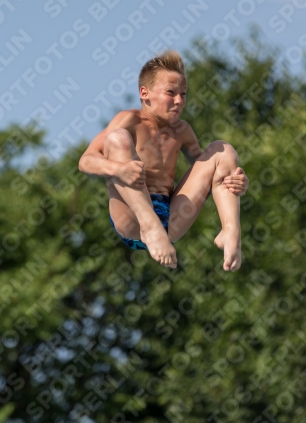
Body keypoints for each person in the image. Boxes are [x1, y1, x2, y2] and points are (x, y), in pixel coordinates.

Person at [79, 50, 249, 270]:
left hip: (170, 220)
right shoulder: (129, 119)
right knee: (117, 138)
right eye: (171, 92)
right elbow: (86, 161)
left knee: (221, 150)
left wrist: (235, 182)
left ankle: (230, 232)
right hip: (132, 218)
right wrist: (118, 169)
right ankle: (149, 225)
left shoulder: (182, 130)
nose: (179, 101)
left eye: (184, 94)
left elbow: (212, 174)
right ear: (145, 93)